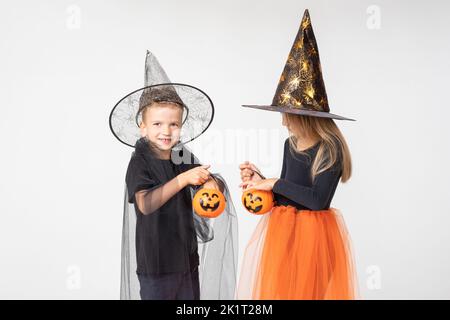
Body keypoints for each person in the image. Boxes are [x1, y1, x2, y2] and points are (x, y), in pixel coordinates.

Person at [237, 9, 360, 300]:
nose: (282, 121)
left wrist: (275, 183)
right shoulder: (289, 145)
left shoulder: (330, 149)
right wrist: (262, 182)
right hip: (283, 235)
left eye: (286, 115)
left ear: (304, 116)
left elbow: (317, 201)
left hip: (313, 242)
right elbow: (287, 194)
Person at [110, 51, 238, 300]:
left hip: (186, 259)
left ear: (181, 125)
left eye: (174, 124)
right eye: (157, 124)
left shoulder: (180, 154)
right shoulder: (140, 161)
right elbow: (146, 204)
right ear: (143, 126)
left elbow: (206, 178)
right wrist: (182, 180)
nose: (166, 131)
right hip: (157, 265)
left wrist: (210, 183)